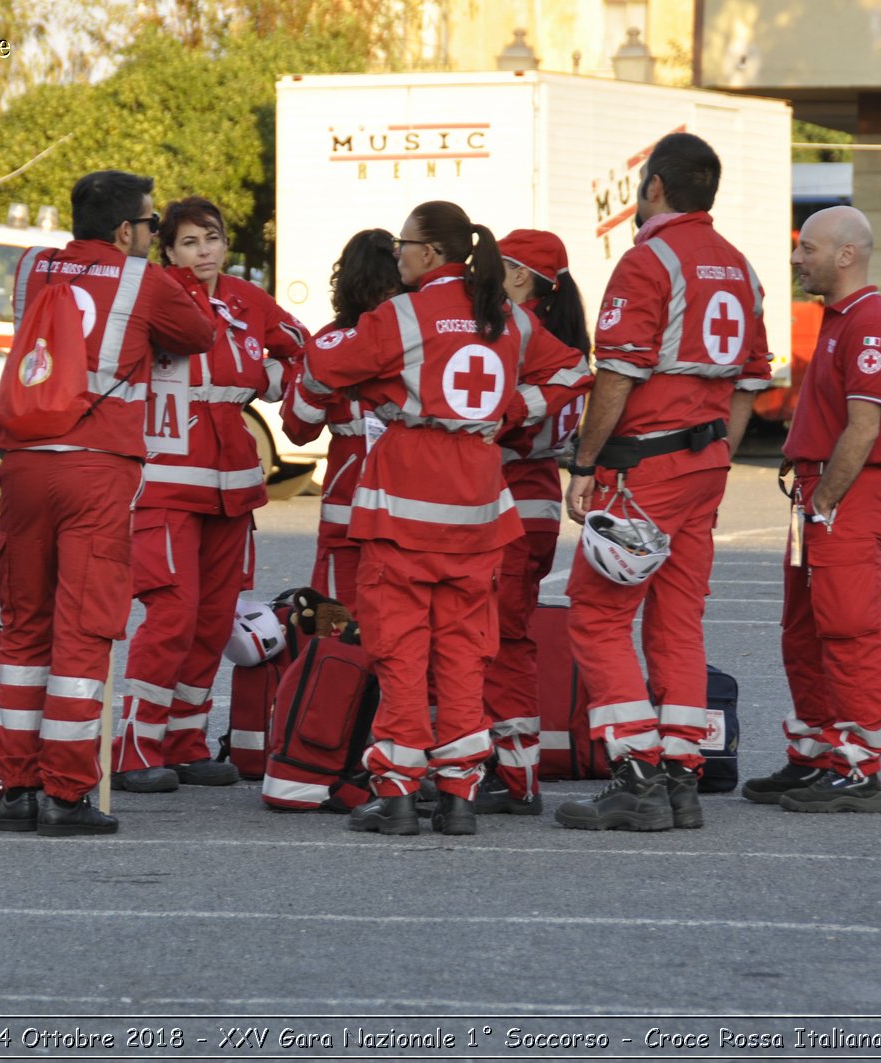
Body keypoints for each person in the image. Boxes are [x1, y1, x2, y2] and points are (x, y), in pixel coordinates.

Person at [299, 200, 584, 837]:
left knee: (399, 652)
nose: (397, 254)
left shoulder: (402, 314)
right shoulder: (505, 315)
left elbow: (323, 370)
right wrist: (511, 411)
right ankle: (459, 796)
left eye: (404, 244)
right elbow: (574, 368)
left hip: (403, 506)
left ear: (428, 253)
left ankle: (397, 792)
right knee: (464, 655)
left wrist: (382, 392)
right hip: (478, 507)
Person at [0, 171, 213, 836]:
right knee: (82, 632)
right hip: (96, 466)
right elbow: (196, 334)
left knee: (24, 627)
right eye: (149, 225)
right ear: (125, 231)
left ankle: (16, 787)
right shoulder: (147, 282)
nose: (152, 235)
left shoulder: (33, 267)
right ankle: (67, 791)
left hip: (23, 462)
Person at [554, 132, 772, 833]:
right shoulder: (740, 268)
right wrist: (717, 454)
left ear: (653, 188)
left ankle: (636, 776)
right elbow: (752, 382)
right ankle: (681, 774)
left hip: (645, 464)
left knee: (598, 612)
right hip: (705, 463)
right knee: (678, 620)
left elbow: (617, 373)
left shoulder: (648, 262)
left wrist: (585, 463)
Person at [113, 196, 309, 793]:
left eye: (213, 239)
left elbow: (301, 345)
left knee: (213, 617)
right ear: (168, 249)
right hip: (166, 484)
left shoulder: (248, 300)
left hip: (233, 485)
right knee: (172, 613)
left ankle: (186, 741)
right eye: (190, 242)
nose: (204, 252)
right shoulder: (151, 292)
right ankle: (134, 746)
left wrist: (275, 377)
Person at [742, 205, 881, 814]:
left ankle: (859, 770)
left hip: (845, 493)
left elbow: (864, 429)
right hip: (821, 491)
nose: (795, 258)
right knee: (804, 632)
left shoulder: (870, 324)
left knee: (848, 630)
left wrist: (827, 501)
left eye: (807, 248)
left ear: (845, 254)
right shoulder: (840, 319)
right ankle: (814, 756)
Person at [476, 229, 592, 816]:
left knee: (497, 642)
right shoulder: (564, 338)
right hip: (538, 500)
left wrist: (506, 413)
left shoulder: (520, 337)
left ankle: (513, 771)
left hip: (509, 499)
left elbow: (499, 418)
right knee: (507, 637)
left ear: (518, 275)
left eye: (493, 265)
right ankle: (511, 765)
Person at [281, 228, 403, 610]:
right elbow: (298, 429)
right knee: (335, 631)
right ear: (358, 289)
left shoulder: (419, 340)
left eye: (396, 290)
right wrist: (322, 384)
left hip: (406, 515)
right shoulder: (329, 343)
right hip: (345, 518)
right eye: (380, 290)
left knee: (402, 635)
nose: (389, 300)